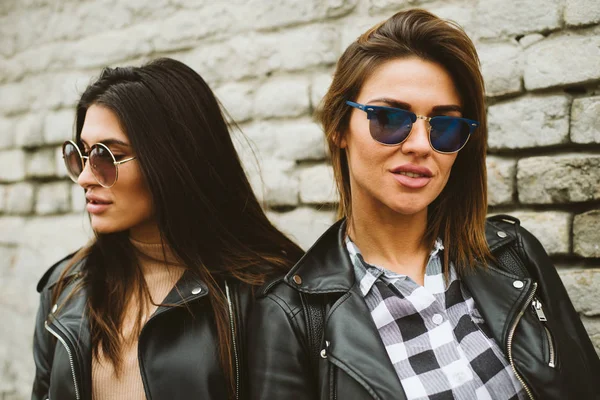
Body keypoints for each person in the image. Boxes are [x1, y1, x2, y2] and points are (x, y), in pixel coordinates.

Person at [247, 9, 600, 400]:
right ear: (338, 128)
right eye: (389, 118)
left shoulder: (514, 253)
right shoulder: (292, 316)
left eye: (444, 126)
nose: (418, 145)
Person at [31, 57, 304, 400]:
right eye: (82, 155)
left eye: (107, 156)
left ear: (172, 159)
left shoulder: (263, 294)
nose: (85, 177)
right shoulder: (65, 288)